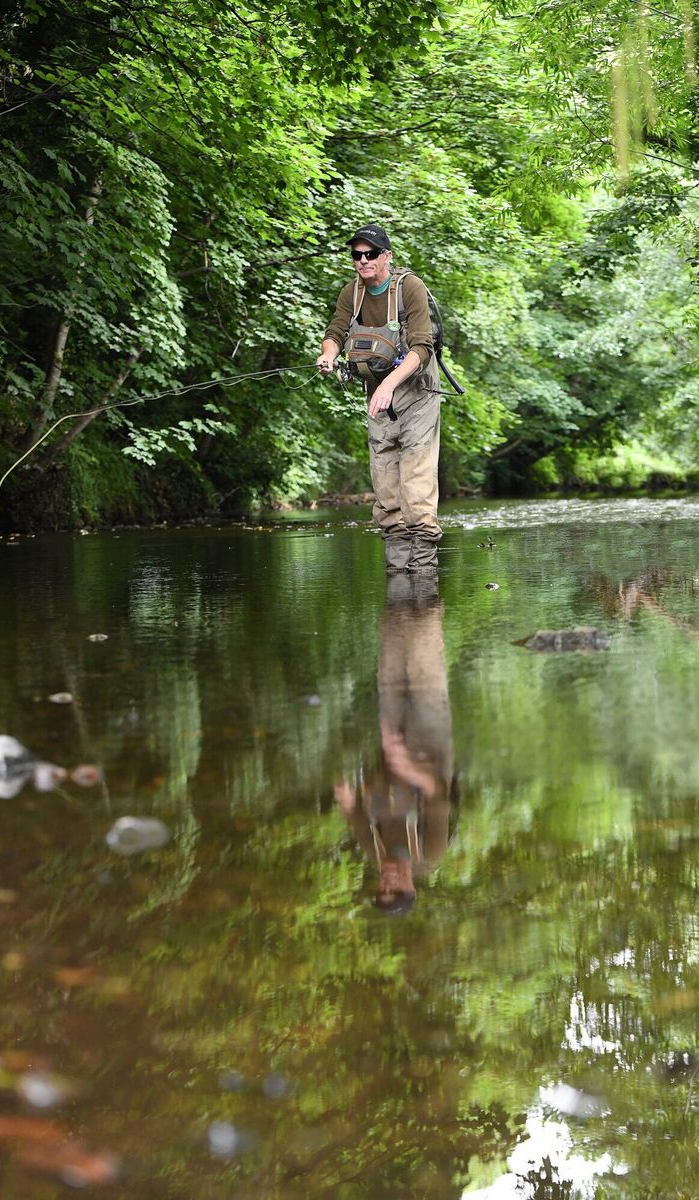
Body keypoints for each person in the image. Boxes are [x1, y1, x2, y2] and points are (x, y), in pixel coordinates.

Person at [317, 225, 442, 574]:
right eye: (356, 255)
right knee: (386, 489)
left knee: (415, 488)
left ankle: (424, 577)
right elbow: (335, 332)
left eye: (370, 254)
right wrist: (328, 354)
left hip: (417, 394)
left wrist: (390, 384)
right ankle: (398, 580)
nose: (363, 261)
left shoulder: (410, 288)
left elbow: (422, 347)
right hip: (378, 397)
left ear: (386, 256)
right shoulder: (351, 293)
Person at [334, 573, 455, 914]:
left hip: (388, 746)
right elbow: (437, 793)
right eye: (394, 889)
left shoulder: (375, 852)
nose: (386, 883)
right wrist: (409, 767)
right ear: (410, 887)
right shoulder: (430, 852)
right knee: (423, 659)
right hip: (430, 744)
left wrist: (344, 795)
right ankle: (424, 570)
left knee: (390, 655)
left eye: (382, 888)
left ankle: (399, 574)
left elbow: (356, 815)